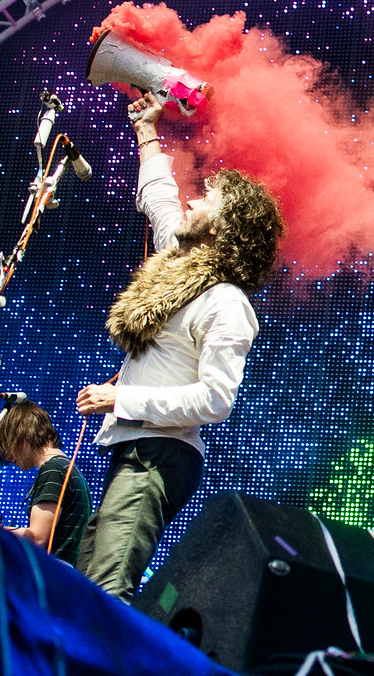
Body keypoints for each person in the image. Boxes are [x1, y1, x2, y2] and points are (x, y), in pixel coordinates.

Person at [75, 91, 285, 602]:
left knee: (106, 589)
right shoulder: (181, 268)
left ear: (224, 228)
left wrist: (122, 399)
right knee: (81, 584)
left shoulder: (226, 302)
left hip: (160, 453)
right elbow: (161, 199)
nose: (193, 200)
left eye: (207, 200)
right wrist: (147, 130)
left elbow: (216, 401)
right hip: (134, 446)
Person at [0, 399, 92, 566]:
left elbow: (37, 537)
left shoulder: (53, 470)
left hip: (54, 578)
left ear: (22, 434)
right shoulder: (65, 468)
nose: (7, 456)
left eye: (7, 444)